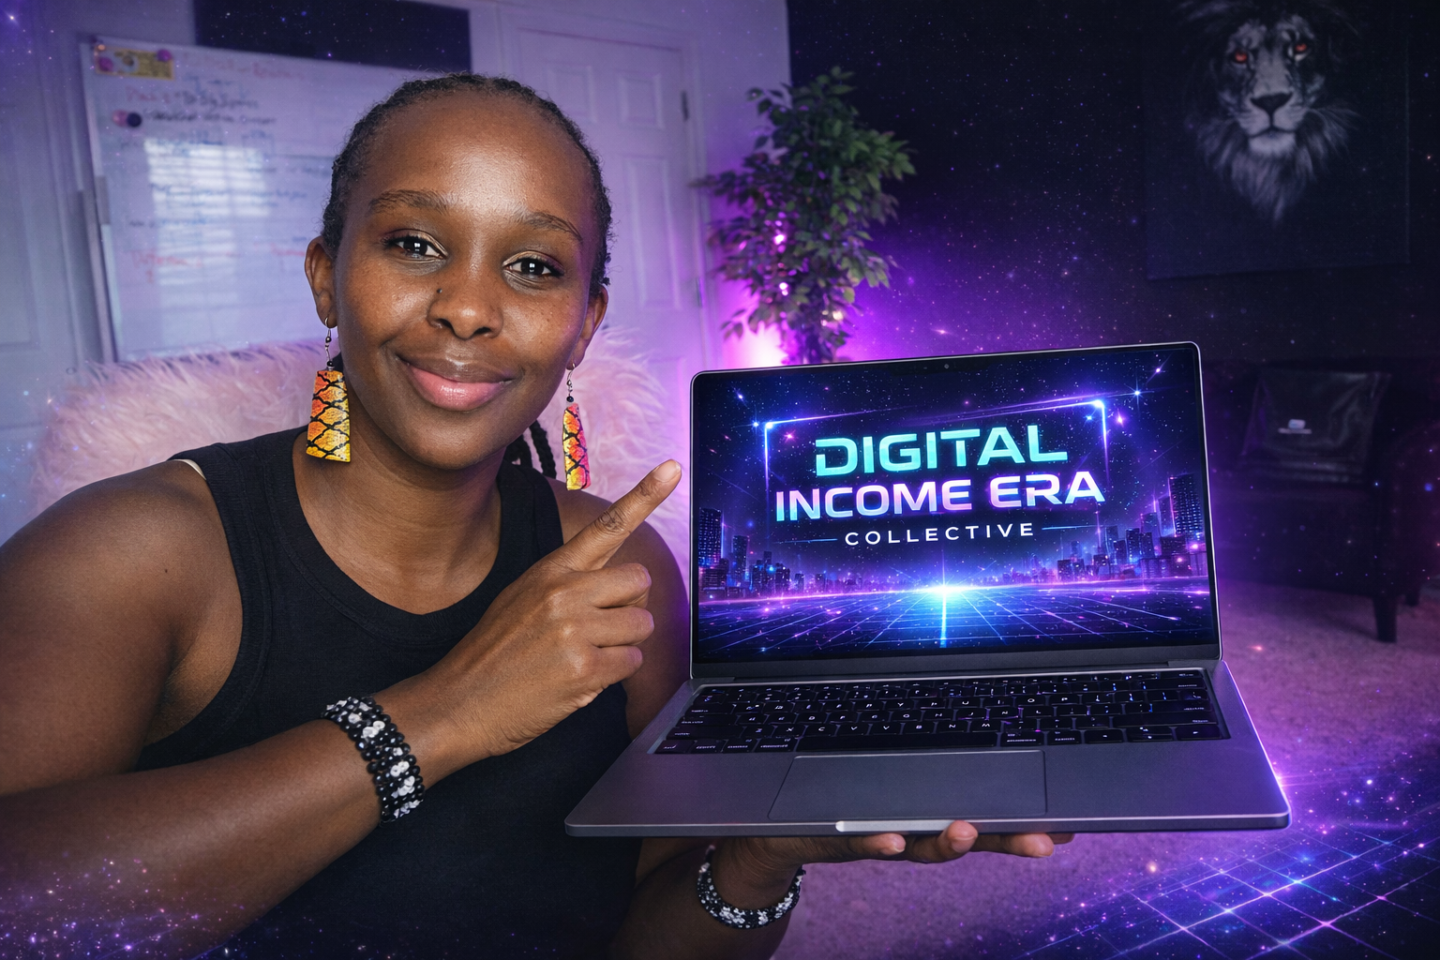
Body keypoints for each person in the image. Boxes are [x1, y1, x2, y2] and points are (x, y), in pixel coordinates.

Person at [0, 75, 1070, 958]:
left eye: (532, 266)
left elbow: (649, 937)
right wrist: (444, 713)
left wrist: (757, 854)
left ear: (584, 322)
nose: (468, 307)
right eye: (414, 243)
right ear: (327, 275)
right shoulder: (129, 552)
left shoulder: (626, 573)